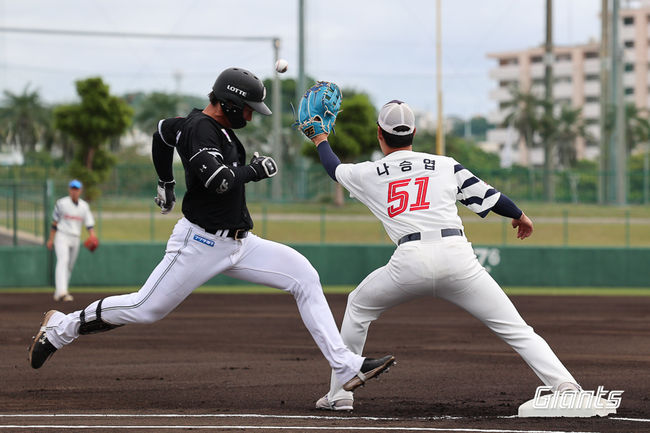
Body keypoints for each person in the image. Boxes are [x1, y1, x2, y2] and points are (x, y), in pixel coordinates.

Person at [29, 67, 395, 395]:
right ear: (229, 104)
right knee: (145, 307)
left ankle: (345, 366)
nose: (252, 115)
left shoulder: (196, 124)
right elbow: (218, 180)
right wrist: (256, 170)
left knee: (304, 276)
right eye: (249, 107)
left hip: (241, 243)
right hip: (200, 242)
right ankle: (61, 327)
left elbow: (160, 133)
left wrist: (165, 181)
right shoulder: (201, 128)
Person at [307, 100, 580, 411]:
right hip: (458, 259)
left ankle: (340, 395)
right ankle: (565, 385)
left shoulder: (369, 173)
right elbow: (488, 196)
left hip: (410, 260)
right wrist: (519, 215)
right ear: (414, 133)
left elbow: (333, 168)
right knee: (515, 328)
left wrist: (320, 139)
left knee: (358, 305)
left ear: (379, 135)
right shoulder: (445, 164)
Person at [46, 179, 97, 302]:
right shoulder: (61, 203)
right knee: (63, 260)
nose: (74, 191)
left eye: (77, 189)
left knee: (69, 265)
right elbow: (54, 222)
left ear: (80, 191)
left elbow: (89, 224)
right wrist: (51, 239)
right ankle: (62, 291)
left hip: (75, 237)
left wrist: (93, 236)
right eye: (72, 188)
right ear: (69, 189)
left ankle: (60, 292)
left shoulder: (84, 206)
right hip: (62, 235)